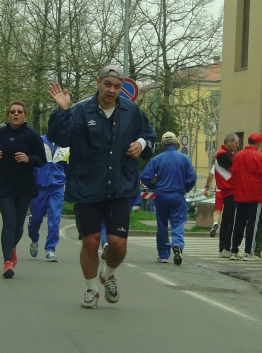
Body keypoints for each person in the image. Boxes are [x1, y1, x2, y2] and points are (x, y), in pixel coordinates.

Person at [47, 64, 156, 309]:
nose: (112, 90)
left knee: (118, 244)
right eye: (108, 85)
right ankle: (90, 289)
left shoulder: (131, 111)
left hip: (120, 185)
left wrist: (140, 144)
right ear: (98, 83)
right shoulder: (80, 111)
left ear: (121, 89)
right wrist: (62, 110)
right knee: (91, 241)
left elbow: (150, 137)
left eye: (117, 87)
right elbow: (60, 138)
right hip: (87, 185)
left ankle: (107, 274)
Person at [0, 101, 46, 278]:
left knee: (19, 224)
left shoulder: (32, 135)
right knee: (10, 221)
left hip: (24, 186)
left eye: (20, 112)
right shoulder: (0, 134)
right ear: (8, 115)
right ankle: (7, 262)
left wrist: (28, 159)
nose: (16, 114)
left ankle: (11, 248)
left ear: (25, 116)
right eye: (12, 112)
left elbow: (42, 159)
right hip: (3, 184)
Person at [140, 131, 196, 265]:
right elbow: (192, 178)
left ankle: (163, 254)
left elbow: (144, 177)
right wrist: (185, 187)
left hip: (161, 195)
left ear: (162, 144)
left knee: (162, 225)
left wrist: (153, 186)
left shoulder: (157, 159)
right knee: (177, 223)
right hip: (177, 195)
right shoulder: (184, 159)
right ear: (176, 143)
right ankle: (177, 244)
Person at [28, 134, 69, 262]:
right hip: (39, 188)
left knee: (54, 220)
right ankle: (34, 239)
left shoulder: (65, 145)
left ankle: (50, 249)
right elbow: (32, 164)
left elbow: (68, 167)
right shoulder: (38, 141)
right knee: (36, 219)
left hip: (57, 188)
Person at [230, 133, 262, 260]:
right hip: (255, 196)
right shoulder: (259, 156)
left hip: (240, 195)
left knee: (238, 223)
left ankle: (234, 251)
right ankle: (248, 252)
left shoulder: (238, 155)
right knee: (252, 225)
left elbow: (233, 174)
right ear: (258, 144)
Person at [214, 133, 239, 258]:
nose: (237, 145)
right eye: (236, 142)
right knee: (230, 221)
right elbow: (236, 168)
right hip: (230, 190)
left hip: (228, 191)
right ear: (228, 142)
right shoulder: (223, 155)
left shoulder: (225, 154)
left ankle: (223, 247)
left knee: (227, 220)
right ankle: (226, 247)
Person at [203, 164, 223, 237]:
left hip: (219, 190)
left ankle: (215, 223)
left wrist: (206, 186)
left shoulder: (216, 165)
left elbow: (210, 176)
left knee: (217, 210)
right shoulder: (232, 162)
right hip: (230, 190)